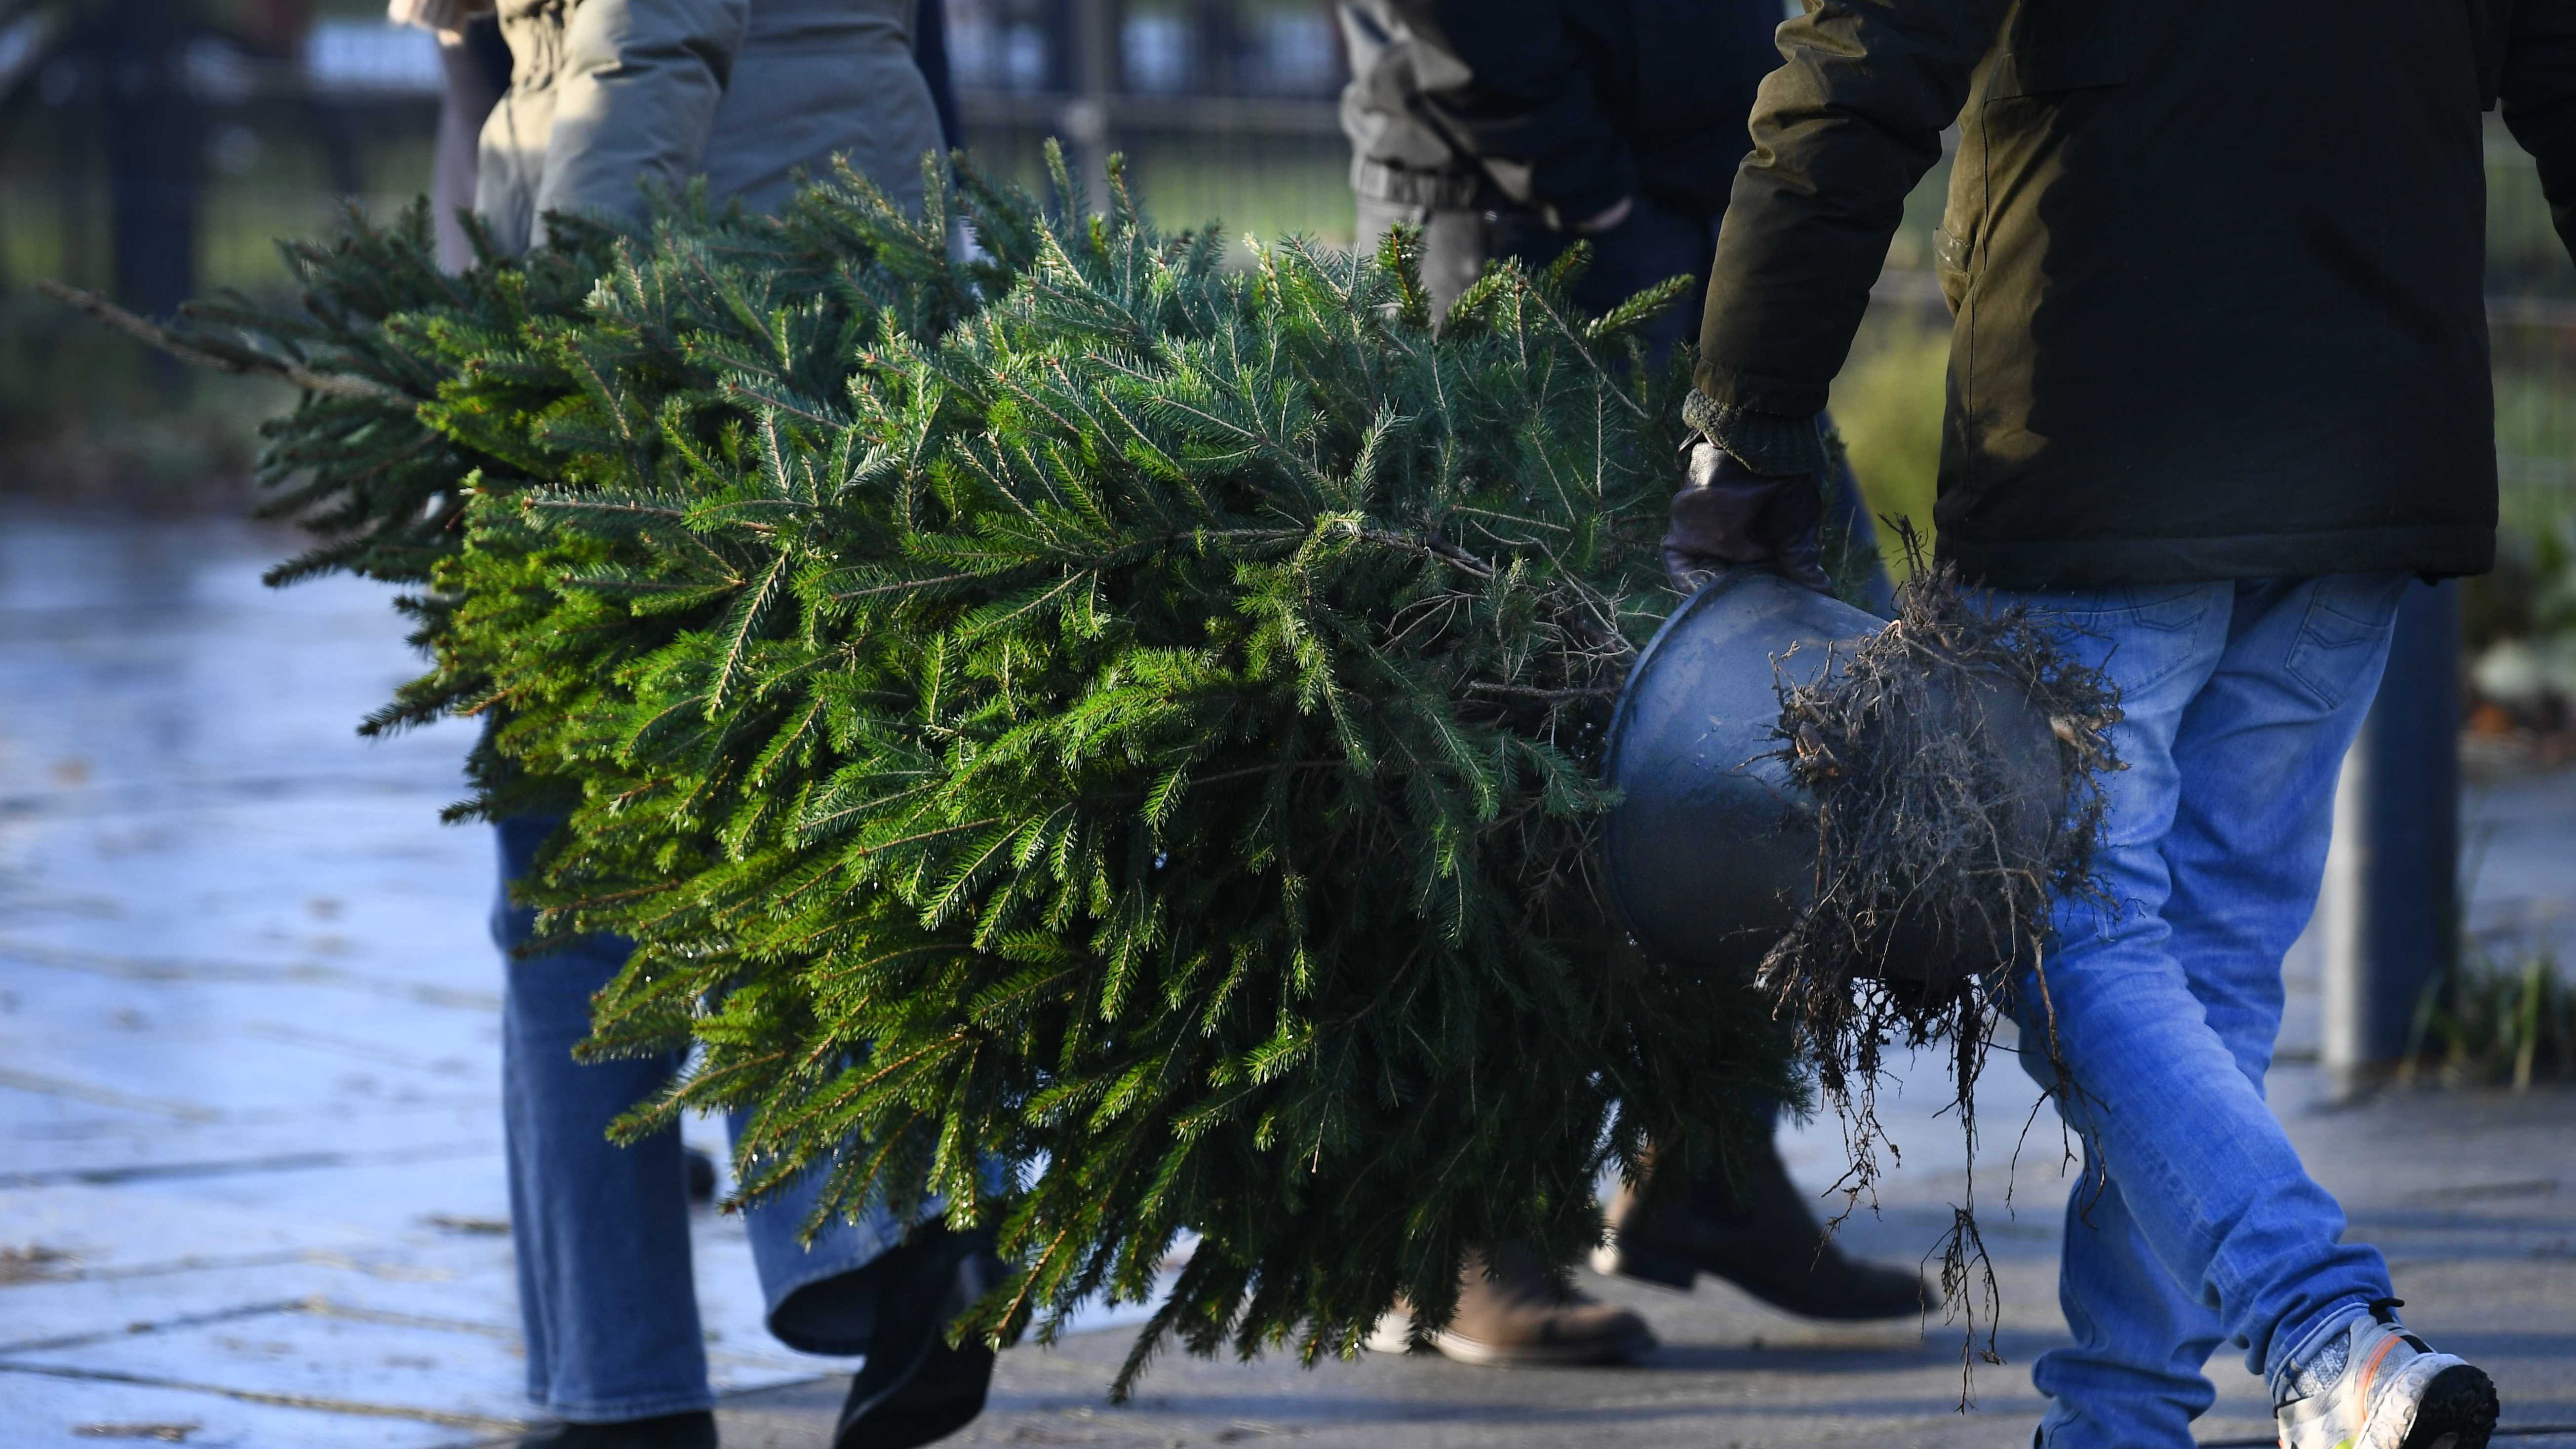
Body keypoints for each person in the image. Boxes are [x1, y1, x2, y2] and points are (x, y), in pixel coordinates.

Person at [1668, 0, 2576, 1444]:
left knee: (2057, 942)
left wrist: (1749, 408)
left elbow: (1857, 61)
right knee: (2198, 972)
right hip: (2366, 427)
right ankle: (2117, 1424)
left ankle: (2321, 1325)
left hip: (2100, 434)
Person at [385, 0, 986, 1444]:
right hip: (831, 252)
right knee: (797, 799)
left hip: (672, 291)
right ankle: (897, 1241)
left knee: (574, 879)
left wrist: (566, 368)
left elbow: (624, 60)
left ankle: (633, 1383)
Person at [1336, 0, 1925, 1369]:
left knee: (1777, 704)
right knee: (1503, 739)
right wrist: (1587, 181)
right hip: (1512, 221)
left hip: (1676, 198)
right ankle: (1458, 1230)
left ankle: (1708, 1160)